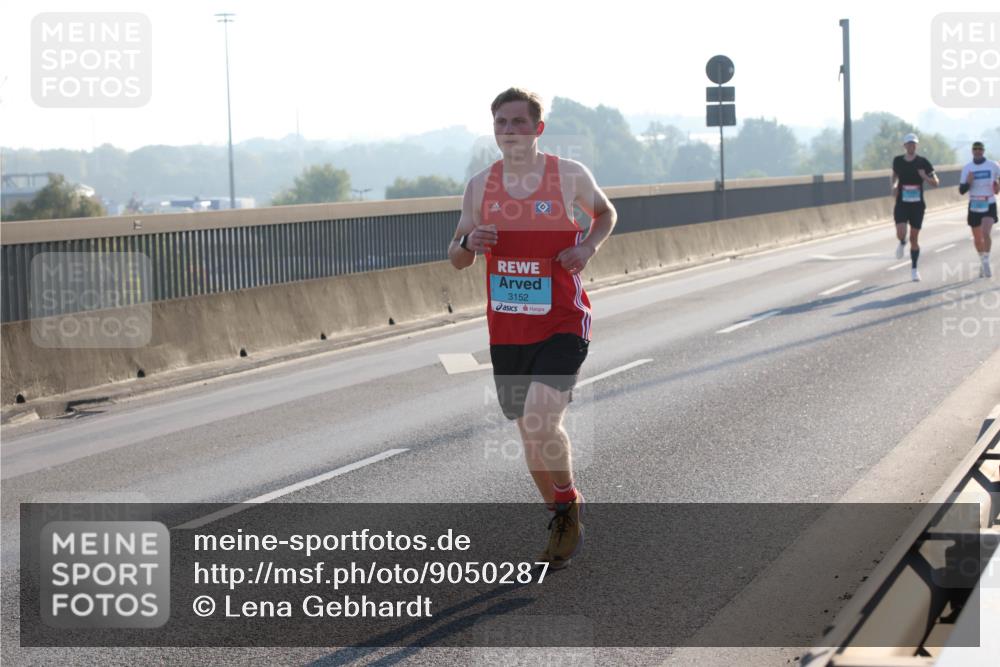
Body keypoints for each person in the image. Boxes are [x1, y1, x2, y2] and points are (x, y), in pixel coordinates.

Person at [448, 88, 617, 569]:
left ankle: (566, 508)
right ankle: (562, 509)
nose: (509, 131)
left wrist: (586, 248)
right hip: (507, 330)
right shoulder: (481, 186)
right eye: (501, 122)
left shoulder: (568, 175)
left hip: (563, 318)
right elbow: (456, 257)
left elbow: (606, 214)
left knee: (543, 419)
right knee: (529, 433)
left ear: (537, 129)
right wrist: (468, 241)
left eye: (519, 122)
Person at [891, 133, 939, 281]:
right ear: (904, 146)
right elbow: (894, 176)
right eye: (909, 144)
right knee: (901, 232)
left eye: (914, 144)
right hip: (902, 202)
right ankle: (901, 242)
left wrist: (924, 176)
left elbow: (936, 182)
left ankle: (914, 269)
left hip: (917, 205)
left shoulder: (923, 162)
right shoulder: (898, 161)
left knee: (914, 237)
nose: (911, 146)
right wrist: (893, 185)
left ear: (916, 145)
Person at [958, 141, 1000, 278]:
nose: (977, 151)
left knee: (985, 233)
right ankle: (982, 260)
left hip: (989, 203)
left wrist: (997, 185)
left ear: (983, 151)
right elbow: (961, 191)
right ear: (972, 151)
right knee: (977, 239)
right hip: (975, 204)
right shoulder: (967, 168)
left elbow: (998, 183)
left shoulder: (993, 165)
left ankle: (986, 261)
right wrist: (969, 182)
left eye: (980, 149)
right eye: (975, 149)